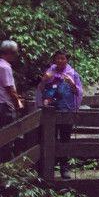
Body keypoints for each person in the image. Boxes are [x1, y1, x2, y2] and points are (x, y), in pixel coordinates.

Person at [36, 50, 83, 179]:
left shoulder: (73, 74)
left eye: (63, 59)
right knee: (49, 138)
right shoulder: (49, 73)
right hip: (50, 111)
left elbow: (78, 93)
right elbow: (40, 89)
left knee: (65, 140)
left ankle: (64, 169)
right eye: (57, 59)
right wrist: (44, 81)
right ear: (54, 60)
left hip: (66, 111)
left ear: (66, 60)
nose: (60, 61)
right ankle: (47, 169)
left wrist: (72, 83)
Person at [0, 40, 23, 162]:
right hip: (4, 106)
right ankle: (5, 167)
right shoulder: (5, 67)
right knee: (7, 137)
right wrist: (18, 102)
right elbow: (10, 89)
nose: (16, 55)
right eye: (15, 53)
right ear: (9, 53)